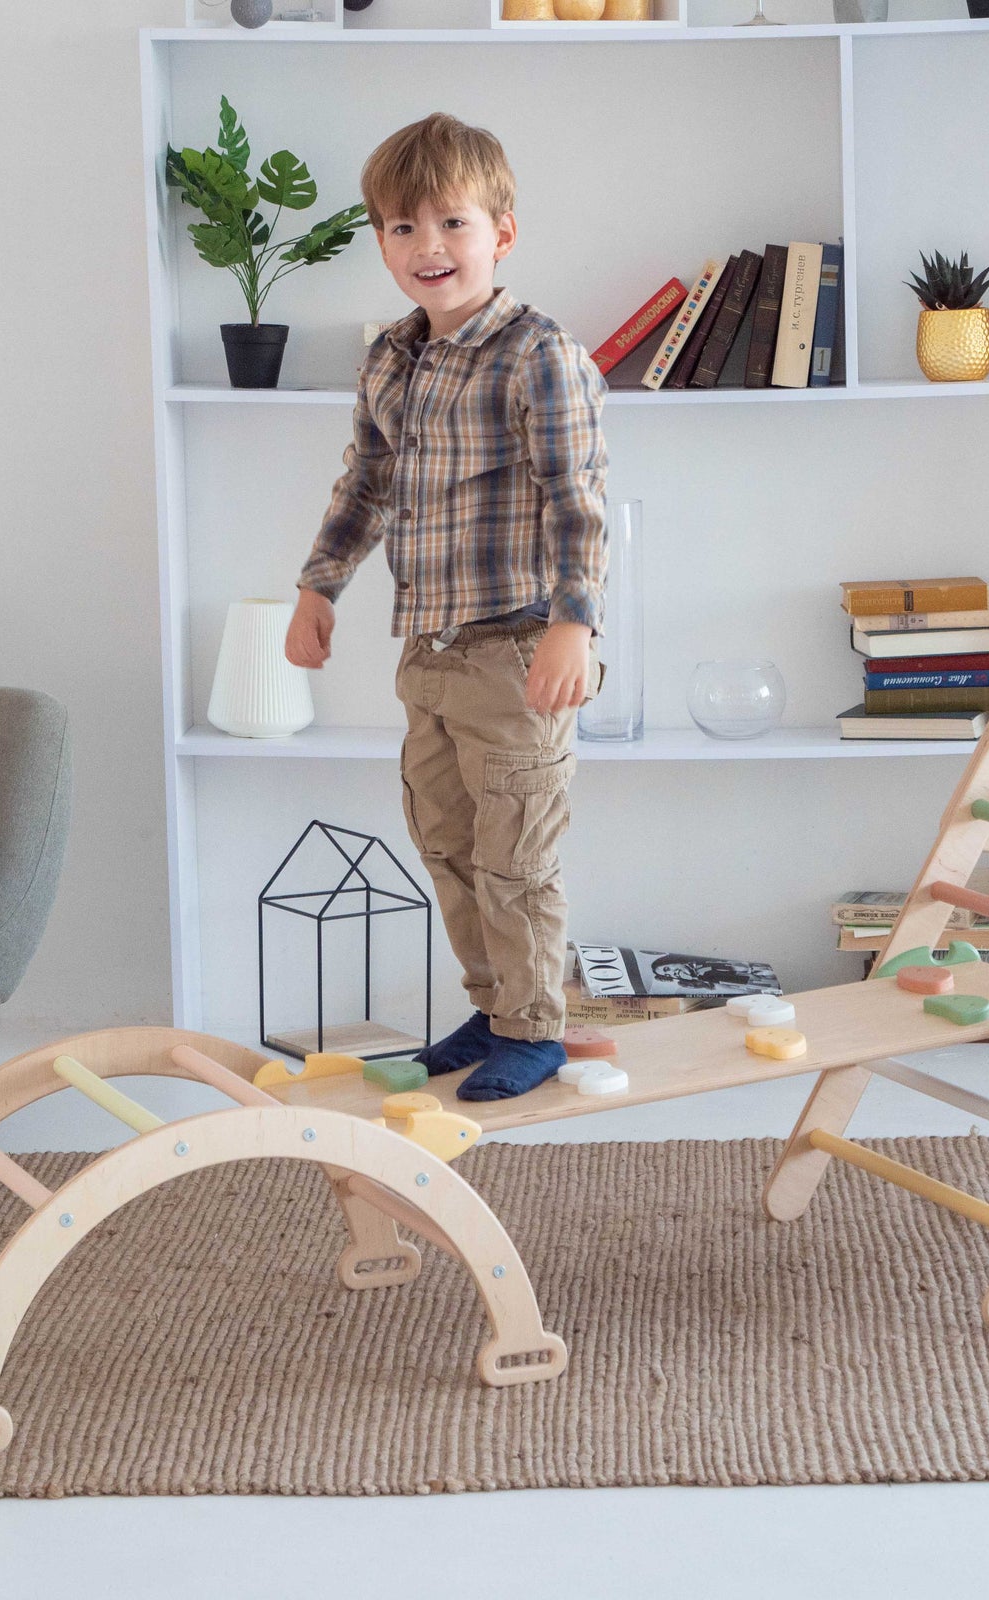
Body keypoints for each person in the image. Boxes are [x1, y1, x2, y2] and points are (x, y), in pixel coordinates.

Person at [285, 112, 607, 1102]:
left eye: (451, 224)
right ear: (381, 240)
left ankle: (536, 1026)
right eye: (402, 228)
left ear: (500, 233)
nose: (428, 248)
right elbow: (364, 486)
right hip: (426, 654)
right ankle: (496, 1006)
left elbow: (575, 497)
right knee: (449, 843)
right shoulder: (391, 356)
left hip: (516, 654)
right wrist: (317, 586)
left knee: (516, 852)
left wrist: (573, 622)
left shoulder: (536, 355)